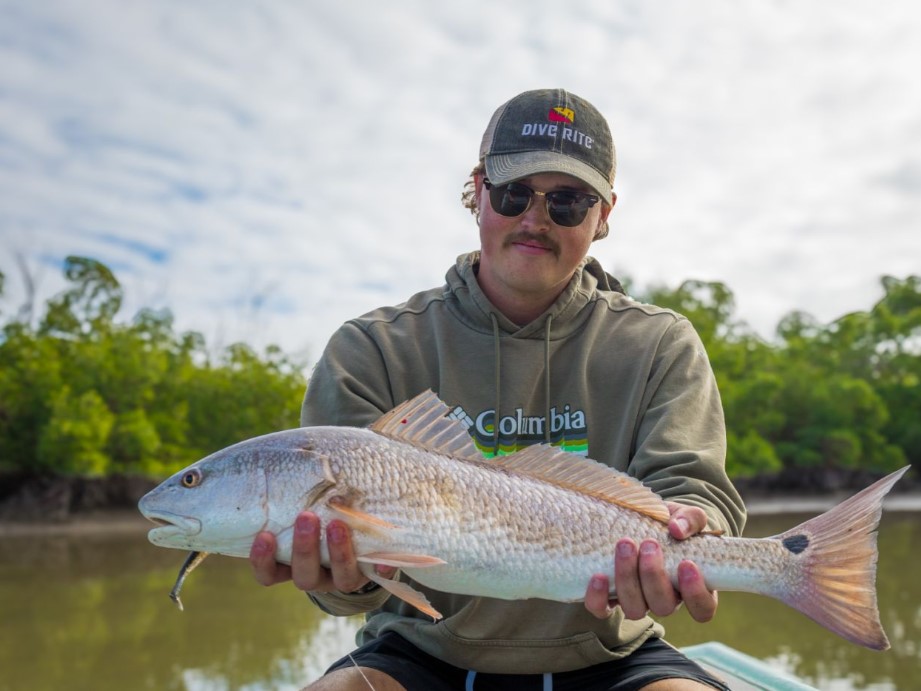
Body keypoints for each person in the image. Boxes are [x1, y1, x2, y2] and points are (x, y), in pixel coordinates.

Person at [250, 88, 746, 691]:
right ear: (478, 190)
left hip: (613, 658)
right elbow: (346, 597)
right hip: (416, 654)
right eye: (514, 193)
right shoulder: (371, 348)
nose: (536, 218)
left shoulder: (660, 343)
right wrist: (345, 578)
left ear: (605, 214)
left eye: (567, 201)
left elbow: (693, 492)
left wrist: (699, 528)